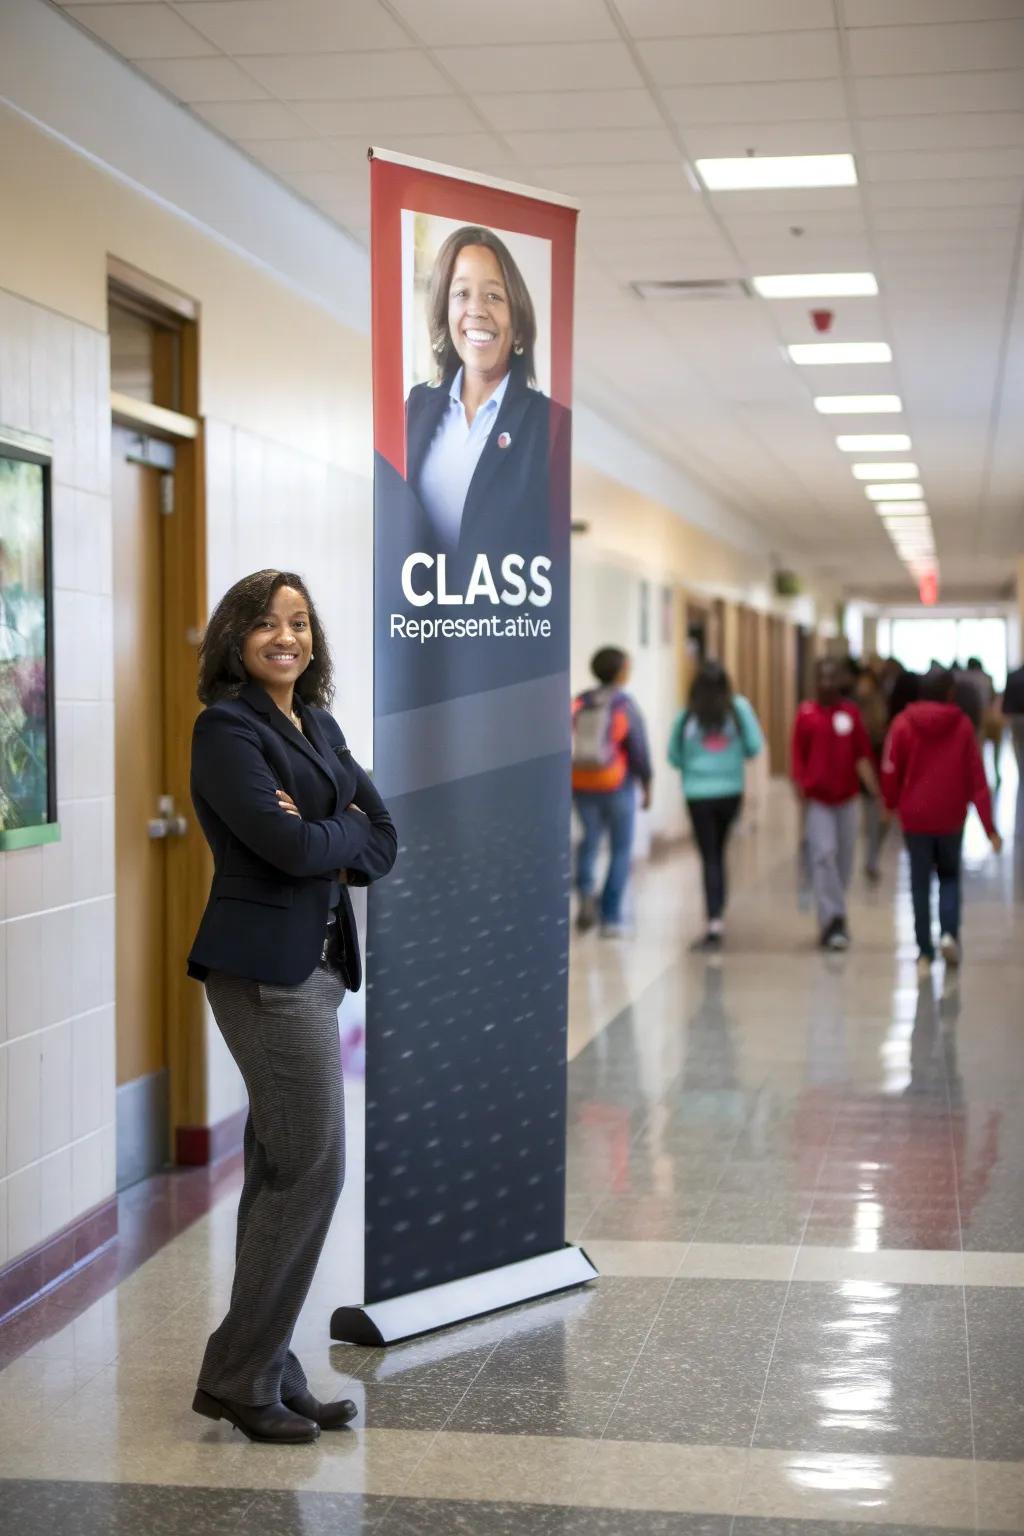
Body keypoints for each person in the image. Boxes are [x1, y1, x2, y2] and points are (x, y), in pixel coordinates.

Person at [186, 570, 398, 1444]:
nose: (288, 636)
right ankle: (240, 1375)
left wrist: (326, 836)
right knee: (314, 1165)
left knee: (280, 1170)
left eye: (301, 622)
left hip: (317, 970)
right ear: (236, 636)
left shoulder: (319, 724)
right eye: (269, 622)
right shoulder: (225, 731)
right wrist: (326, 833)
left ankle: (266, 1365)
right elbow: (281, 843)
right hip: (264, 975)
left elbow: (381, 838)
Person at [405, 224, 563, 572]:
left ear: (518, 323)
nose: (476, 310)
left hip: (505, 622)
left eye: (494, 296)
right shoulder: (416, 407)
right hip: (424, 623)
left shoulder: (549, 424)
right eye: (461, 294)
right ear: (445, 313)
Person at [882, 666, 1001, 972]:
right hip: (950, 817)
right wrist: (989, 828)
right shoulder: (961, 726)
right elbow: (977, 778)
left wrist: (889, 804)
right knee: (949, 877)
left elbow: (891, 769)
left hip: (915, 817)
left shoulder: (903, 724)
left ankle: (924, 951)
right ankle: (948, 934)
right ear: (950, 693)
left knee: (919, 884)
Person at [667, 660, 763, 950]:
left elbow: (674, 756)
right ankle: (718, 911)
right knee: (719, 852)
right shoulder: (738, 709)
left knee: (708, 855)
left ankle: (713, 921)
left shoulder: (687, 715)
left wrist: (696, 767)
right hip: (730, 792)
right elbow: (754, 747)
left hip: (697, 794)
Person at [791, 657, 881, 951]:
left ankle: (835, 909)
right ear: (815, 681)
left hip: (847, 800)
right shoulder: (806, 715)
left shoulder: (850, 714)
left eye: (832, 678)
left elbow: (862, 755)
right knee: (823, 855)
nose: (827, 684)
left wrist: (877, 791)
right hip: (819, 802)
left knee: (843, 861)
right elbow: (797, 759)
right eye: (822, 678)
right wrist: (800, 795)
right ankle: (833, 920)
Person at [572, 646, 652, 938]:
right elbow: (639, 748)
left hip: (581, 781)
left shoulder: (580, 702)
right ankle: (610, 917)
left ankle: (583, 892)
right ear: (620, 672)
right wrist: (647, 783)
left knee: (589, 842)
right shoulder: (624, 704)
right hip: (616, 783)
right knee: (620, 849)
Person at [855, 666, 890, 881]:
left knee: (876, 817)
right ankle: (870, 859)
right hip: (860, 766)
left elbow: (878, 733)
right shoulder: (853, 706)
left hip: (874, 764)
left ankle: (872, 859)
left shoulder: (875, 704)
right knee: (870, 817)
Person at [1002, 660, 1024, 780]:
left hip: (1016, 720)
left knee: (1020, 753)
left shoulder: (1013, 676)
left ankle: (1021, 776)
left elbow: (1006, 703)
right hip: (1017, 718)